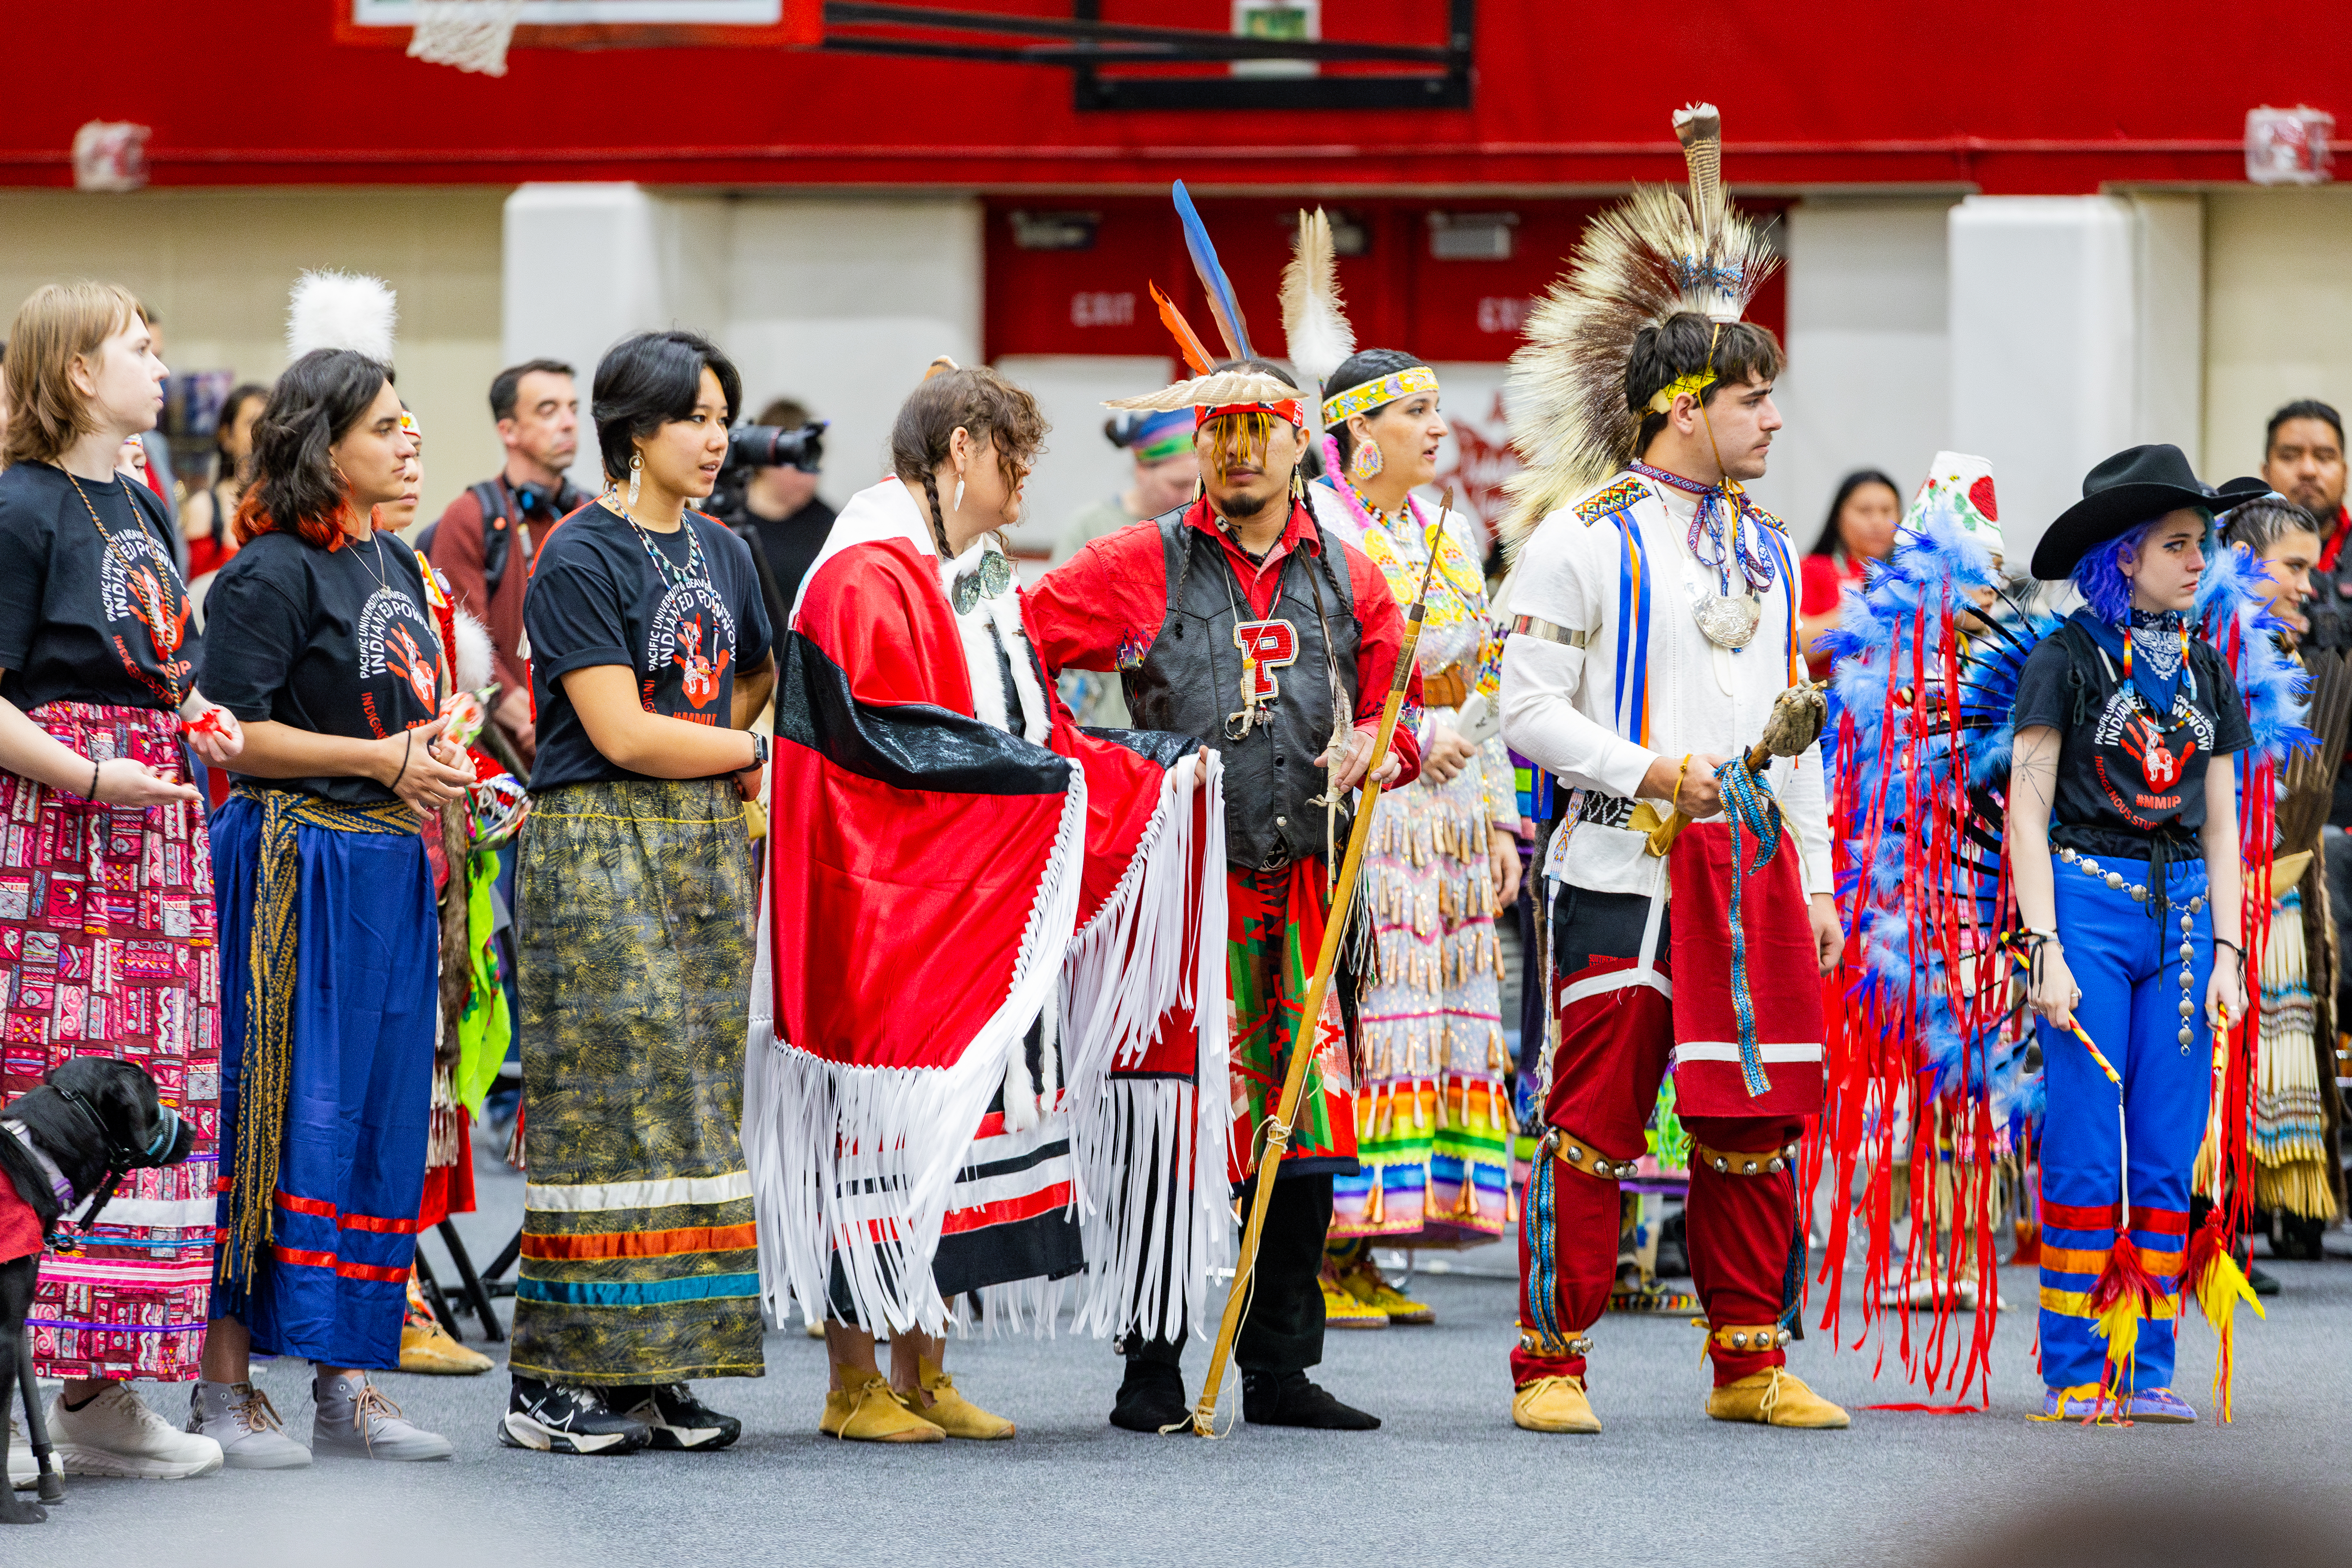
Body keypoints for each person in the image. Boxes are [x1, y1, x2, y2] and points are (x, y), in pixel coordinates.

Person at [750, 359, 1226, 1444]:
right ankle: (849, 1383)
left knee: (949, 1141)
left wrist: (1137, 771)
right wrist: (1066, 783)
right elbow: (892, 747)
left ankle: (925, 1371)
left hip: (957, 897)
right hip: (879, 903)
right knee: (878, 1134)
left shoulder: (960, 571)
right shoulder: (862, 576)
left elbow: (1027, 733)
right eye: (1012, 465)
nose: (1022, 493)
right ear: (959, 451)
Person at [1496, 104, 1848, 1435]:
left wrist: (1810, 873)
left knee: (1750, 1122)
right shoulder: (1580, 540)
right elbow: (1522, 707)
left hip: (1746, 867)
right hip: (1616, 858)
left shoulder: (1764, 550)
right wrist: (1650, 772)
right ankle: (1551, 1362)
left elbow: (1791, 719)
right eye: (1755, 397)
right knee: (1591, 1118)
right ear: (1685, 406)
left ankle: (1748, 1357)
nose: (1773, 420)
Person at [1029, 340, 1424, 1432]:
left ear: (1302, 441)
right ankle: (1149, 1369)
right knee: (1167, 1128)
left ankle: (1282, 1373)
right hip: (1178, 899)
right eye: (1222, 431)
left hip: (1306, 889)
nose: (1243, 449)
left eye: (1263, 429)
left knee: (1300, 1139)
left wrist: (1382, 754)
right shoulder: (1136, 560)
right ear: (1198, 444)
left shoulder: (1352, 575)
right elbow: (1018, 646)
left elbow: (1400, 711)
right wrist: (1098, 768)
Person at [193, 306, 473, 1464]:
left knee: (375, 1119)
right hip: (291, 862)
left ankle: (346, 1383)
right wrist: (381, 762)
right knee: (275, 1116)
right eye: (384, 426)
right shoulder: (266, 574)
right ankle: (223, 1388)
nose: (410, 441)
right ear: (323, 442)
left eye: (410, 422)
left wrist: (443, 755)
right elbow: (234, 735)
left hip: (387, 868)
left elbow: (407, 711)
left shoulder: (395, 559)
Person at [502, 330, 775, 1456]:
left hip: (704, 844)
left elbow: (757, 671)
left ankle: (657, 1368)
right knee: (606, 1107)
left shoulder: (724, 549)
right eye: (693, 418)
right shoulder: (579, 554)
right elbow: (617, 731)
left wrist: (731, 743)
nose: (716, 439)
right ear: (635, 430)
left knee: (694, 1101)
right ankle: (555, 1380)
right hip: (598, 843)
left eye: (723, 417)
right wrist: (745, 753)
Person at [0, 281, 244, 1481]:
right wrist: (93, 778)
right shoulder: (16, 506)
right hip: (55, 829)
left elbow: (151, 659)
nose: (162, 365)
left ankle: (98, 1394)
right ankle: (11, 1397)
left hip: (149, 820)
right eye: (141, 349)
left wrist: (200, 715)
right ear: (78, 372)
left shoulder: (142, 500)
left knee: (146, 1092)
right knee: (36, 1085)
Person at [2011, 446, 2270, 1421]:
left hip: (2190, 915)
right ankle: (2078, 1362)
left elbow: (2222, 824)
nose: (2198, 560)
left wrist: (2233, 953)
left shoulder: (2208, 665)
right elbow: (2026, 813)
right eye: (2177, 544)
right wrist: (2043, 946)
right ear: (2125, 555)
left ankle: (2147, 1362)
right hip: (2085, 903)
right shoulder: (2065, 658)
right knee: (2084, 1140)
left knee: (2168, 1142)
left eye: (2200, 543)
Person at [1301, 344, 1520, 1322]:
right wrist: (1407, 737)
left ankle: (1371, 1248)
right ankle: (1320, 1244)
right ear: (1355, 433)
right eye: (1416, 412)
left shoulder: (1450, 528)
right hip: (1372, 801)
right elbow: (1319, 684)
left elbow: (1484, 680)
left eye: (1438, 408)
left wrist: (1505, 819)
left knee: (1427, 1018)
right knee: (1364, 1013)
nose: (1439, 428)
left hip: (1453, 809)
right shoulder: (1316, 531)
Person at [2216, 496, 2346, 1249]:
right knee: (2217, 1056)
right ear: (2241, 564)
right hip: (2213, 885)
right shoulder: (2207, 655)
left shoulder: (2299, 657)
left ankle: (2252, 1210)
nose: (2307, 583)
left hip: (2279, 874)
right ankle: (2209, 1216)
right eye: (2292, 567)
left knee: (2272, 1047)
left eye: (2312, 566)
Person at [425, 358, 587, 768]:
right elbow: (461, 646)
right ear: (508, 430)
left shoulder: (587, 513)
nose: (568, 422)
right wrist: (531, 716)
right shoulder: (470, 516)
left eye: (573, 408)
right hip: (503, 765)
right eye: (548, 410)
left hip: (586, 750)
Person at [1049, 407, 1201, 728]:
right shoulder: (1090, 527)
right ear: (1141, 470)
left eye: (1197, 485)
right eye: (1178, 485)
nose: (1190, 498)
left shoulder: (1203, 527)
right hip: (1111, 725)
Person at [1798, 468, 1900, 676]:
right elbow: (1799, 644)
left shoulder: (1908, 576)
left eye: (1887, 511)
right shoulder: (1812, 568)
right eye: (1865, 511)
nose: (1878, 522)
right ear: (1838, 516)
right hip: (1828, 697)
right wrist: (1868, 604)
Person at [180, 381, 267, 589]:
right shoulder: (205, 507)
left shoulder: (288, 506)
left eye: (271, 422)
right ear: (226, 436)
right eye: (252, 423)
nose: (263, 433)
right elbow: (195, 595)